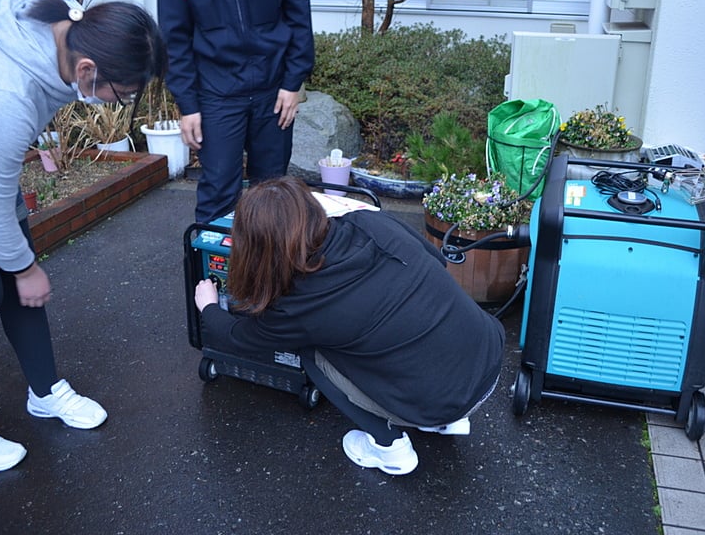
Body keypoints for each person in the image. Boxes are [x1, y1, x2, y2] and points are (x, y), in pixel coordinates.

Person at [0, 0, 167, 473]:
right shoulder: (1, 95)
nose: (119, 104)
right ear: (87, 70)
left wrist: (21, 271)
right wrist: (24, 268)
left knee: (19, 285)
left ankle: (44, 392)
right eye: (120, 94)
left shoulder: (70, 19)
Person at [193, 177, 505, 475]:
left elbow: (239, 337)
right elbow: (437, 261)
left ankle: (390, 448)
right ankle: (439, 418)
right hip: (488, 357)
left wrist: (208, 307)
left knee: (308, 351)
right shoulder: (368, 222)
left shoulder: (296, 306)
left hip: (442, 398)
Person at [156, 0, 316, 224]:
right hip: (215, 91)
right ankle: (214, 263)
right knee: (218, 189)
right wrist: (188, 104)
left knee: (273, 190)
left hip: (274, 90)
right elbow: (174, 35)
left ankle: (272, 264)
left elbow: (299, 14)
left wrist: (292, 83)